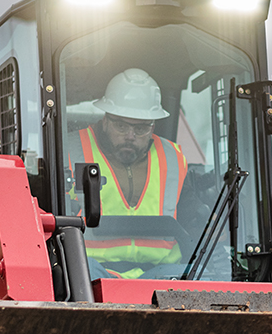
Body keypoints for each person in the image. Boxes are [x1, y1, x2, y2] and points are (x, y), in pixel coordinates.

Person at [66, 68, 189, 279]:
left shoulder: (174, 158)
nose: (130, 136)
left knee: (199, 276)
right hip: (91, 270)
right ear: (105, 120)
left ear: (153, 126)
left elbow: (190, 217)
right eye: (121, 125)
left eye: (141, 128)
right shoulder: (68, 150)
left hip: (162, 272)